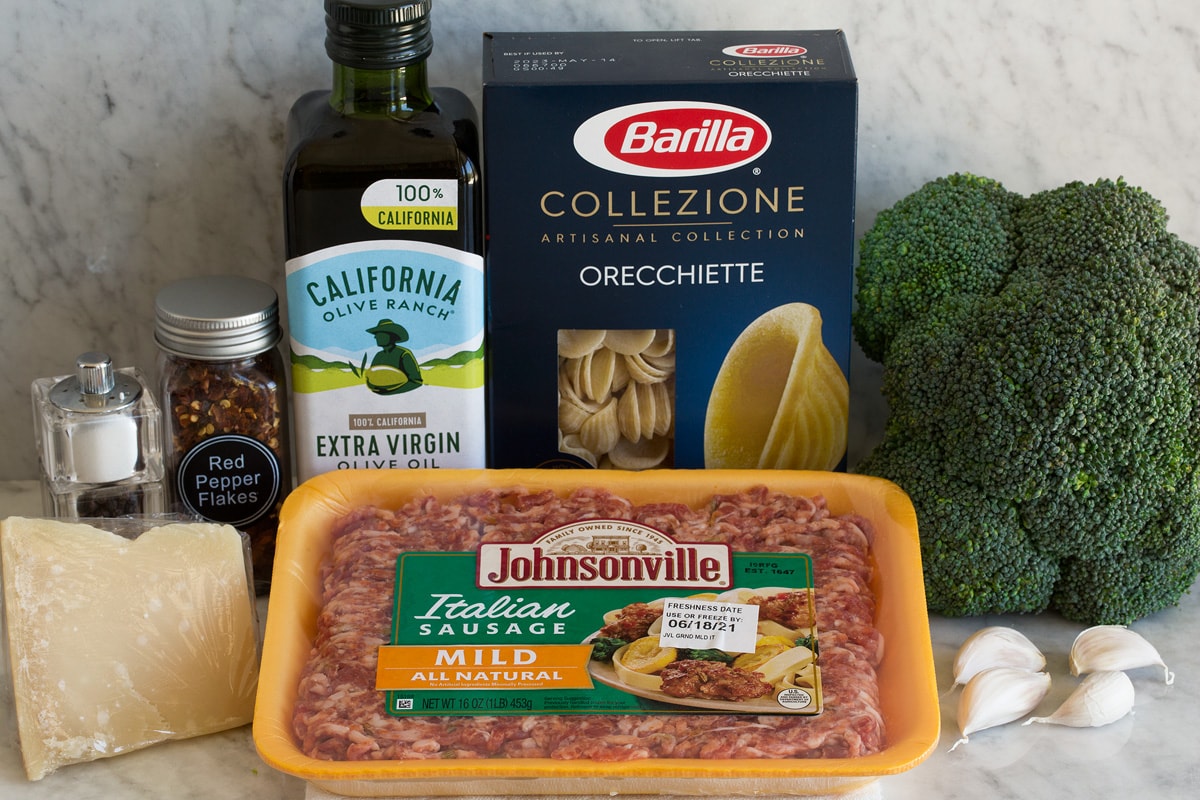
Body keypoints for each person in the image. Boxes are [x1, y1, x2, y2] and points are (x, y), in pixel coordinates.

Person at [364, 318, 423, 395]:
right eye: (376, 334)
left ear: (391, 336)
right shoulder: (378, 356)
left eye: (380, 334)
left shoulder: (404, 354)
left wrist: (390, 392)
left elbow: (416, 381)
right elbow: (373, 377)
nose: (375, 337)